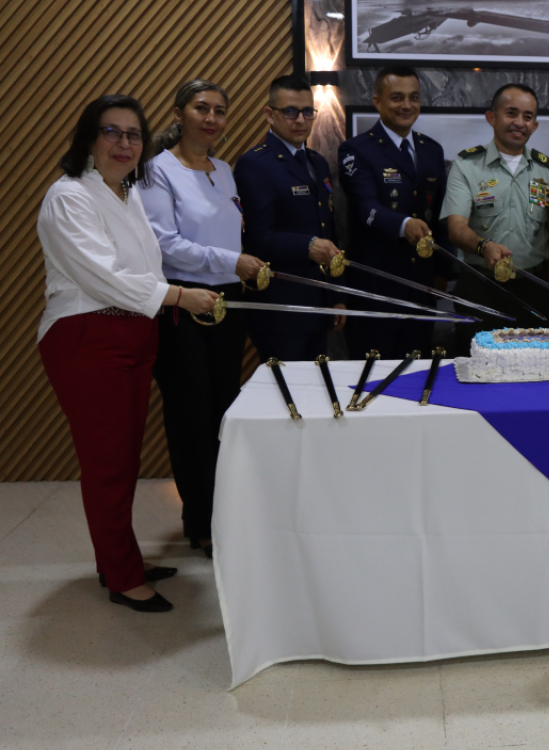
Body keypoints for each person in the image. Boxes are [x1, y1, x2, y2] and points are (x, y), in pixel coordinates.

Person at [36, 95, 219, 612]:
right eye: (111, 132)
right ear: (88, 139)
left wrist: (170, 299)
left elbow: (148, 268)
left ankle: (118, 558)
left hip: (134, 337)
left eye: (133, 134)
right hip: (86, 340)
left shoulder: (127, 194)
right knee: (108, 464)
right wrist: (179, 296)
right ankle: (121, 575)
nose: (123, 143)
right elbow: (104, 276)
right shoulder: (68, 196)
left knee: (122, 459)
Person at [140, 79, 265, 558]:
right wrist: (231, 261)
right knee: (190, 414)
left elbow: (232, 235)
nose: (211, 118)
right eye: (201, 108)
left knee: (222, 412)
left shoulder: (225, 169)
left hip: (227, 303)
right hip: (182, 305)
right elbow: (164, 243)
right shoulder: (157, 171)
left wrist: (236, 266)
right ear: (178, 113)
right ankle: (199, 519)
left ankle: (225, 510)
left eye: (220, 110)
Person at [442, 83, 549, 352]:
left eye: (528, 116)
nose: (520, 123)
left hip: (534, 290)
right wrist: (484, 247)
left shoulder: (547, 171)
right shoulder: (466, 166)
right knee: (475, 367)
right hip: (479, 287)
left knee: (531, 370)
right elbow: (456, 228)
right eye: (511, 113)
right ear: (492, 117)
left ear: (535, 125)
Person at [338, 64, 447, 357]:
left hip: (421, 285)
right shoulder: (356, 150)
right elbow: (365, 208)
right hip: (375, 286)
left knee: (415, 373)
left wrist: (444, 271)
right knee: (372, 374)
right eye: (397, 97)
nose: (407, 105)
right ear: (378, 101)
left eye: (414, 97)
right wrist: (403, 225)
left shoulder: (431, 150)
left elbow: (438, 213)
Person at [234, 74, 343, 361]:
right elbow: (258, 238)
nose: (300, 120)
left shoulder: (317, 162)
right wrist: (307, 245)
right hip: (280, 306)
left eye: (307, 112)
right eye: (290, 112)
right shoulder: (255, 164)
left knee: (316, 393)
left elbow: (328, 229)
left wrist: (336, 296)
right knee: (287, 398)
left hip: (318, 302)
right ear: (270, 115)